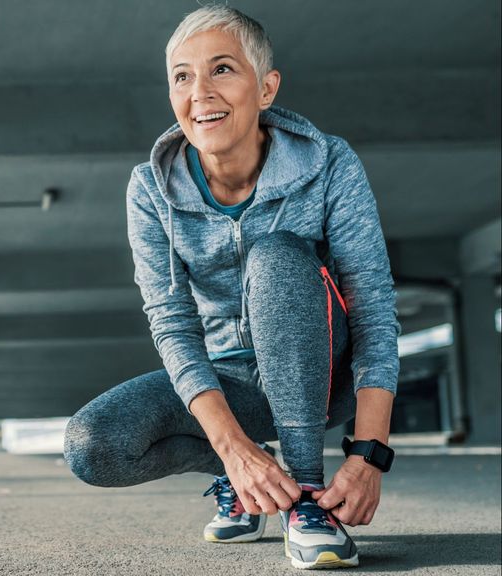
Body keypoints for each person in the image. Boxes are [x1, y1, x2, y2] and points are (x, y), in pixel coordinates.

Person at [63, 5, 399, 570]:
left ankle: (310, 502)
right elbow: (171, 319)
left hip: (322, 375)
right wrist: (233, 450)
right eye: (182, 75)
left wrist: (370, 455)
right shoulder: (152, 188)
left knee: (275, 255)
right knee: (93, 446)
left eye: (222, 69)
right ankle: (247, 478)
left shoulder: (329, 163)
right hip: (229, 387)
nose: (200, 92)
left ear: (266, 88)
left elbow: (372, 307)